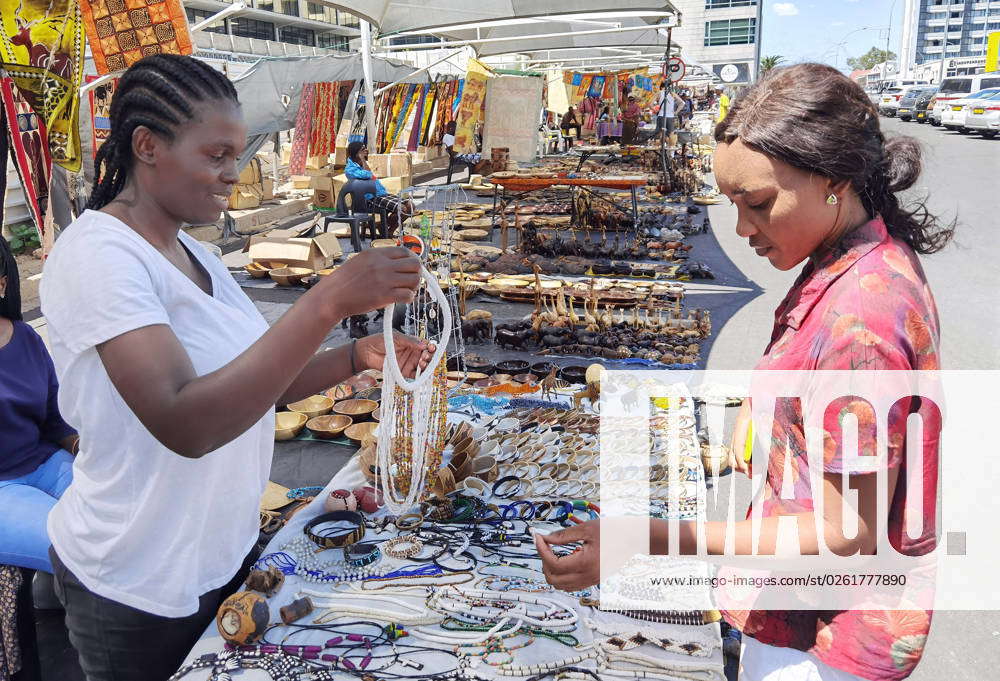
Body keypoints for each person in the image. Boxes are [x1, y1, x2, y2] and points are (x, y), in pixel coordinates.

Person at [535, 63, 950, 681]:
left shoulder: (861, 316)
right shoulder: (850, 262)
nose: (742, 228)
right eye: (732, 202)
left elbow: (846, 534)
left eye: (757, 203)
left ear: (833, 178)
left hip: (823, 639)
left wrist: (643, 539)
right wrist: (768, 419)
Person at [39, 54, 434, 681]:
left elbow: (255, 383)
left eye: (237, 154)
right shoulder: (99, 257)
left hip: (216, 554)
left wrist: (355, 356)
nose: (233, 173)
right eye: (216, 156)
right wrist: (326, 299)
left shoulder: (191, 251)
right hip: (136, 578)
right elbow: (186, 422)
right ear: (146, 146)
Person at [0, 234, 78, 575]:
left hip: (45, 462)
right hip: (3, 489)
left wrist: (82, 445)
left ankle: (52, 594)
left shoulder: (26, 337)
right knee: (76, 547)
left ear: (2, 285)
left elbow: (54, 418)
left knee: (127, 517)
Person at [344, 141, 414, 237]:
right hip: (370, 198)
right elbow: (368, 174)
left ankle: (385, 228)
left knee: (410, 206)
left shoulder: (361, 164)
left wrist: (363, 161)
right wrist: (363, 160)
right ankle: (384, 228)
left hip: (381, 194)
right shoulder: (350, 169)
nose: (366, 151)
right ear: (357, 153)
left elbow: (371, 176)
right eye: (363, 149)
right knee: (401, 209)